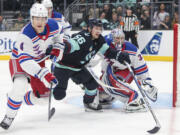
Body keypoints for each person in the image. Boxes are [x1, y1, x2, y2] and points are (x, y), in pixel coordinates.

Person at [0, 3, 64, 130]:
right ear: (31, 18)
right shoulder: (25, 34)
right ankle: (9, 115)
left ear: (46, 19)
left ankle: (15, 98)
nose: (39, 22)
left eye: (42, 18)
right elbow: (25, 62)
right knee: (20, 85)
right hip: (19, 60)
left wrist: (57, 49)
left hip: (39, 61)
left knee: (44, 98)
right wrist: (45, 73)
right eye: (36, 18)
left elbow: (59, 35)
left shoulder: (53, 25)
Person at [51, 19, 131, 111]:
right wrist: (56, 49)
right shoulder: (83, 37)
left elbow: (108, 52)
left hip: (78, 68)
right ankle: (43, 92)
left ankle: (88, 103)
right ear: (89, 29)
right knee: (59, 95)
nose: (98, 31)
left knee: (92, 84)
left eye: (100, 28)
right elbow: (70, 45)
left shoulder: (100, 40)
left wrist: (119, 55)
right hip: (63, 67)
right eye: (96, 28)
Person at [98, 28, 158, 112]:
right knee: (101, 94)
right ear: (112, 38)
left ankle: (134, 99)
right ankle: (108, 96)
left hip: (125, 71)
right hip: (109, 69)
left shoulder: (132, 50)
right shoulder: (104, 43)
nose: (120, 41)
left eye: (122, 38)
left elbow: (141, 68)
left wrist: (146, 83)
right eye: (117, 38)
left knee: (115, 82)